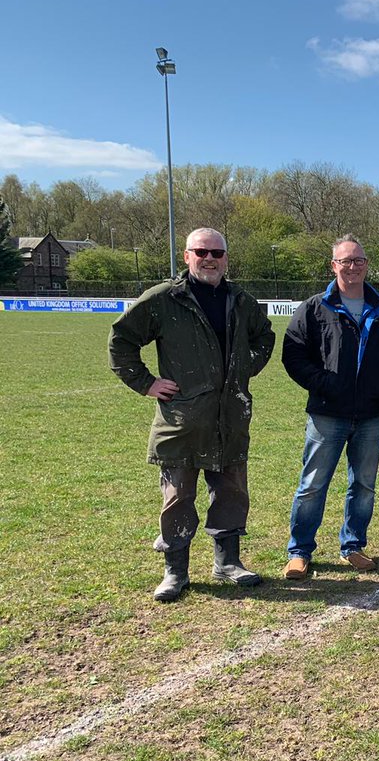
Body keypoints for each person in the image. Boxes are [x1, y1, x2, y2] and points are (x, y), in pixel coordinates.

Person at [108, 227, 275, 602]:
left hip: (230, 418)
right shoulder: (165, 299)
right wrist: (147, 382)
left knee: (231, 493)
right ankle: (175, 571)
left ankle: (228, 562)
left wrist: (242, 370)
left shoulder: (240, 300)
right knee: (178, 497)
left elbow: (265, 337)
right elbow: (121, 341)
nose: (210, 258)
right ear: (187, 256)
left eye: (217, 252)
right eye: (201, 252)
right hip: (181, 420)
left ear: (226, 259)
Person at [281, 235, 379, 580]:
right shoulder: (314, 307)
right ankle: (299, 551)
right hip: (327, 413)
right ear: (333, 266)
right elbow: (293, 354)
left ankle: (352, 545)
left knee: (364, 485)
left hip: (370, 414)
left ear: (366, 265)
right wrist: (324, 383)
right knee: (312, 484)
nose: (352, 267)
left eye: (358, 261)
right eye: (345, 261)